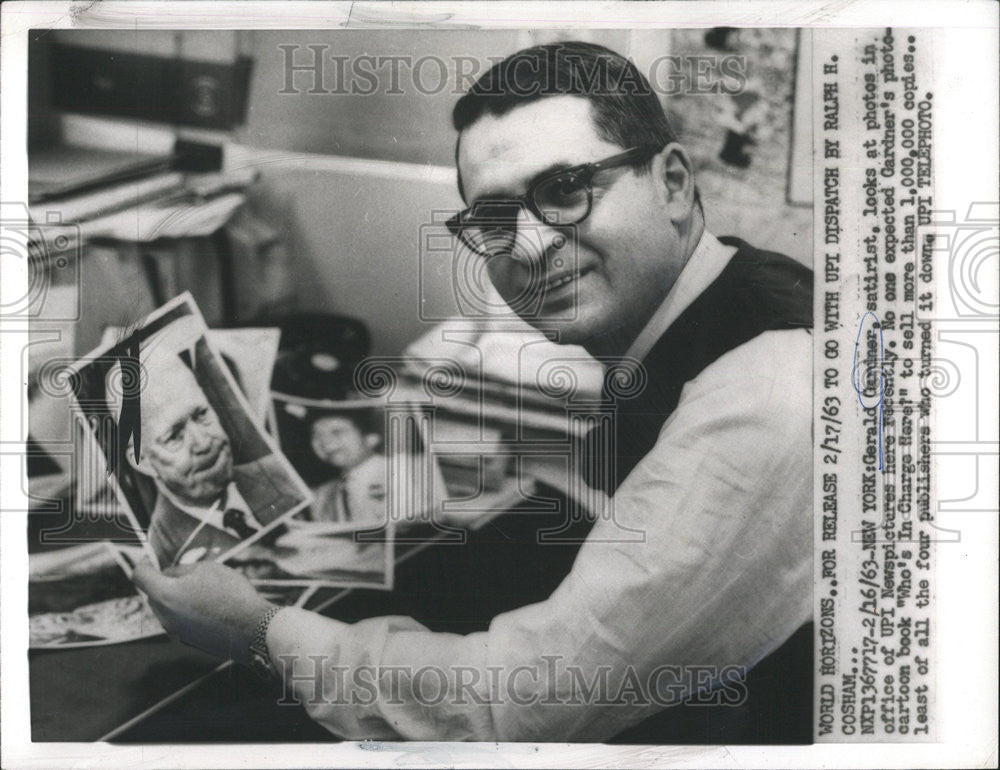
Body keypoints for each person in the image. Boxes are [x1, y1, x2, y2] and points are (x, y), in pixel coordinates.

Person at [134, 41, 813, 742]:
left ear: (672, 183)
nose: (528, 246)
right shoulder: (719, 301)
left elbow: (521, 706)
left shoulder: (761, 394)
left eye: (564, 190)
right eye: (493, 221)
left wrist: (257, 632)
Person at [111, 327, 306, 568]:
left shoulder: (281, 476)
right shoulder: (162, 553)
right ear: (143, 461)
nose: (203, 442)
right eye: (174, 437)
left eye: (201, 414)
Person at [309, 411, 387, 524]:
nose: (325, 442)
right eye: (316, 435)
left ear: (371, 438)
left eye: (337, 432)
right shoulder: (322, 495)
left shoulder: (403, 474)